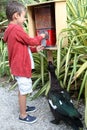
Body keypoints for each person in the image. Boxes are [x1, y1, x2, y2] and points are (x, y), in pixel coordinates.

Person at [3, 0, 46, 124]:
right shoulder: (16, 29)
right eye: (24, 16)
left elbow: (22, 48)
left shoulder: (11, 30)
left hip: (17, 65)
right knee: (24, 89)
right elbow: (30, 41)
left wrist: (35, 50)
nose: (25, 19)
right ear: (16, 15)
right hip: (21, 67)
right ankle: (23, 115)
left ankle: (24, 107)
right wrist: (41, 36)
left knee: (22, 89)